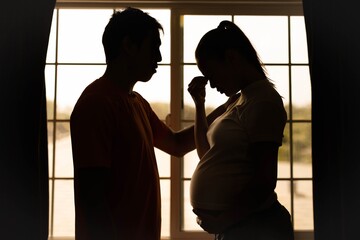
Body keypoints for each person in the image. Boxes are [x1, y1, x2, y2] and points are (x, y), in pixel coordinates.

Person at [70, 7, 234, 240]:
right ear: (128, 46)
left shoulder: (137, 103)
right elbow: (92, 199)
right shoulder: (96, 103)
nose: (158, 57)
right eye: (153, 47)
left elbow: (177, 145)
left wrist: (223, 109)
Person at [187, 20, 294, 240]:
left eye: (211, 73)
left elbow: (264, 179)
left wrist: (224, 220)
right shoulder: (238, 101)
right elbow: (205, 154)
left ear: (231, 58)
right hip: (238, 226)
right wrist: (199, 104)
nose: (211, 84)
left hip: (255, 227)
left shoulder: (262, 101)